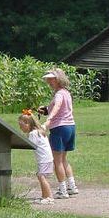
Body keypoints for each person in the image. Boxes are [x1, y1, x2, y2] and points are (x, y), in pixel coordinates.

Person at [39, 68, 79, 199]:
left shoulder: (59, 95)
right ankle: (72, 186)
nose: (49, 82)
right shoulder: (66, 93)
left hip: (59, 128)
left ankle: (62, 190)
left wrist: (47, 121)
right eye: (48, 79)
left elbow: (56, 108)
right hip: (70, 127)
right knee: (63, 159)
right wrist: (45, 110)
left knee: (57, 161)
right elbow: (59, 108)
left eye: (52, 79)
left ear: (58, 79)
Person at [18, 109, 54, 204]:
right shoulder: (40, 129)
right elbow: (46, 124)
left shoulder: (33, 134)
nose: (20, 128)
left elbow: (31, 145)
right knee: (40, 176)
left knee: (41, 176)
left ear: (27, 124)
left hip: (44, 159)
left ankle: (49, 197)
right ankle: (44, 196)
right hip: (46, 158)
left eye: (21, 126)